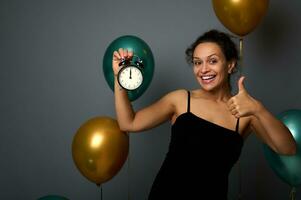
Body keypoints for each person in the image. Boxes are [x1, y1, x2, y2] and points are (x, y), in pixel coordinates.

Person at [112, 30, 297, 199]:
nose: (204, 69)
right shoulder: (180, 99)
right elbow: (129, 123)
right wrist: (119, 77)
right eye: (197, 62)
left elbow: (288, 148)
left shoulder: (245, 112)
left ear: (231, 65)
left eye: (213, 61)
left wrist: (258, 108)